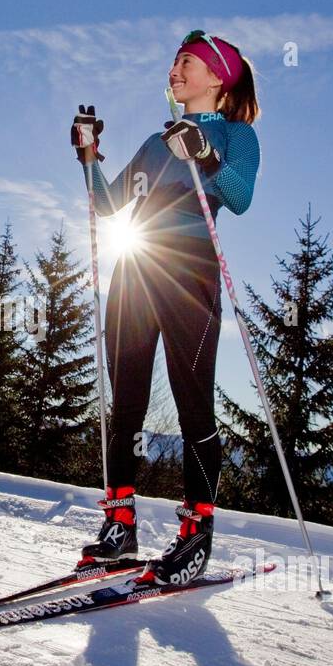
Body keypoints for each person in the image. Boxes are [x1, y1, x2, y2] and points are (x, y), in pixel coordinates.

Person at [70, 31, 260, 585]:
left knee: (191, 398)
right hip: (136, 266)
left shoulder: (237, 134)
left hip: (189, 270)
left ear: (217, 77)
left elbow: (241, 196)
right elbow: (108, 206)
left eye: (187, 63)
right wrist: (88, 157)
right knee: (124, 397)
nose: (174, 70)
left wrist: (205, 151)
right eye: (175, 61)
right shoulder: (157, 143)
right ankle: (120, 521)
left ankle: (197, 531)